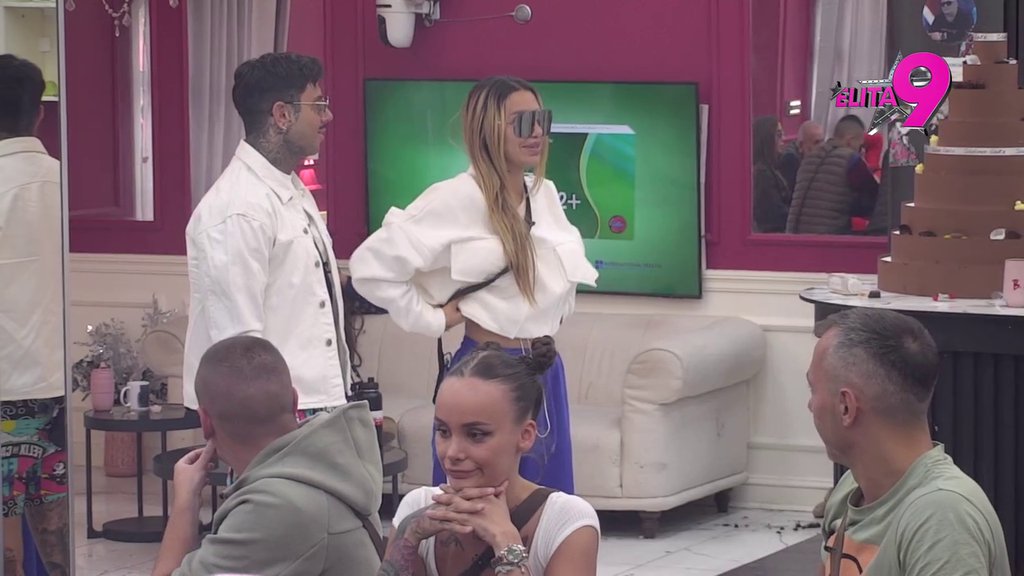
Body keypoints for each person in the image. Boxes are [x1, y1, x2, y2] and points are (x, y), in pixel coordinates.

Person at [348, 76, 598, 494]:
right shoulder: (455, 198)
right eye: (522, 122)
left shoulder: (545, 195)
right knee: (475, 507)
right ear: (488, 128)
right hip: (485, 374)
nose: (537, 132)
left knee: (548, 507)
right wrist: (432, 319)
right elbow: (370, 268)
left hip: (545, 370)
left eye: (542, 120)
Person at [183, 52, 352, 421]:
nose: (327, 116)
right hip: (273, 415)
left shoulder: (291, 190)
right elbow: (239, 348)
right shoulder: (238, 209)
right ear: (282, 115)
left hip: (315, 402)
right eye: (317, 105)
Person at [152, 335, 383, 576]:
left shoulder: (273, 508)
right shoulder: (329, 469)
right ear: (295, 402)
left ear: (205, 421)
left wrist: (185, 503)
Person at [808, 308, 1011, 575]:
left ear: (846, 407)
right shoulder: (851, 489)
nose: (810, 405)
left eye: (813, 389)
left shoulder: (942, 518)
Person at [381, 338, 599, 575]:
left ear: (525, 435)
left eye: (475, 435)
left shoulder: (564, 522)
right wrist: (410, 535)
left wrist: (505, 541)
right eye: (443, 431)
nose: (452, 453)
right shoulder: (419, 507)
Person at [0, 53, 70, 576]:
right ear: (40, 113)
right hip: (55, 380)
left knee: (6, 540)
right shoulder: (64, 183)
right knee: (55, 531)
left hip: (4, 382)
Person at [786, 114, 878, 235]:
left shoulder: (807, 160)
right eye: (860, 146)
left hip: (793, 237)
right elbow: (874, 202)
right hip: (828, 240)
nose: (861, 151)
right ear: (849, 141)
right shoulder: (851, 160)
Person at [751, 116, 790, 233]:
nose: (783, 139)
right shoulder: (763, 174)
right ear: (767, 138)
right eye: (778, 135)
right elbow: (773, 214)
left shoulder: (771, 168)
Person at [777, 120, 823, 194]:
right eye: (816, 143)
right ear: (801, 145)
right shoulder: (790, 161)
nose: (821, 147)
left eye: (822, 142)